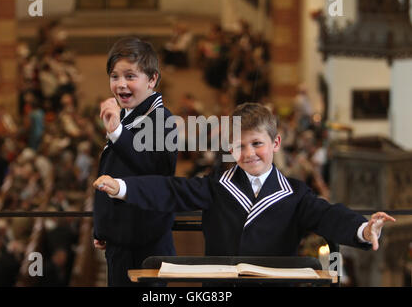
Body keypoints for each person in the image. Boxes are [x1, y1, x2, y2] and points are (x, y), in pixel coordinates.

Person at [94, 103, 395, 259]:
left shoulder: (295, 194)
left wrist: (363, 229)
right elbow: (171, 190)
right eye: (239, 146)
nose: (249, 154)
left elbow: (327, 215)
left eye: (256, 144)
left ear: (275, 143)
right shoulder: (217, 185)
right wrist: (122, 186)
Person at [93, 37, 178, 286]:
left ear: (152, 79)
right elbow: (112, 173)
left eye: (130, 76)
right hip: (119, 243)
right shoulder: (127, 117)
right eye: (115, 76)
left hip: (146, 250)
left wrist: (118, 132)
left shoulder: (162, 120)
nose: (121, 84)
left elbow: (157, 169)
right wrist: (102, 228)